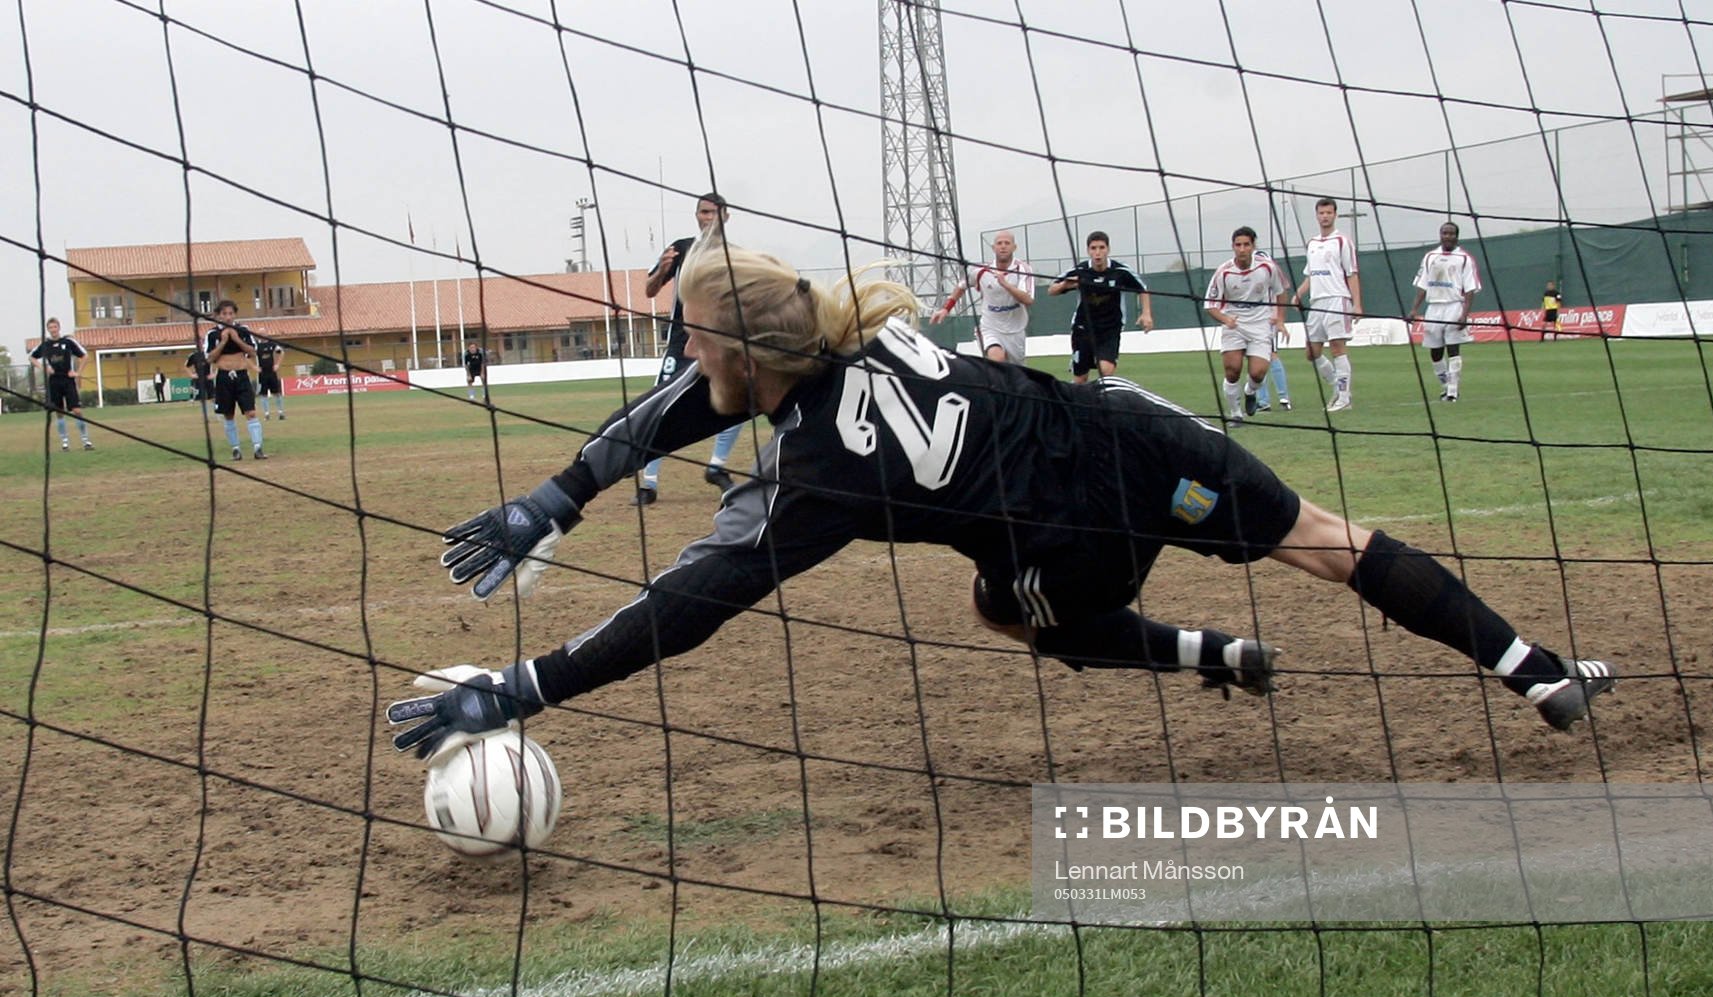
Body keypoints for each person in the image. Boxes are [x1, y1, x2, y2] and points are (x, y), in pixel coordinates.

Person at [386, 233, 1619, 767]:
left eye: (694, 345)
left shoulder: (815, 469)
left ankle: (1199, 650)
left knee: (1020, 616)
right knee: (1326, 543)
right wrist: (560, 491)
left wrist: (525, 686)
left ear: (746, 360)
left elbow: (694, 598)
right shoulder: (843, 329)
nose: (687, 364)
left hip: (1062, 533)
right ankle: (1535, 668)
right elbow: (686, 406)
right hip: (1137, 432)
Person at [633, 192, 737, 506]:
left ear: (726, 216)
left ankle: (717, 467)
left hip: (720, 341)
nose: (708, 218)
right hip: (682, 341)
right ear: (696, 215)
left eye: (714, 212)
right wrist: (663, 270)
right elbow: (650, 290)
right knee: (660, 406)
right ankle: (648, 484)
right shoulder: (682, 248)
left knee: (739, 402)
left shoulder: (735, 257)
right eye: (703, 212)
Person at [1204, 228, 1289, 423]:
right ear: (1233, 247)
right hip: (1234, 323)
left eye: (1246, 245)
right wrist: (1226, 320)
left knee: (1258, 372)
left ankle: (1250, 391)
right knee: (1232, 370)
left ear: (1253, 246)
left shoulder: (1268, 267)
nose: (1242, 249)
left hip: (1260, 323)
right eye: (1238, 245)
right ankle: (1235, 414)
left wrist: (1280, 319)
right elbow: (1210, 304)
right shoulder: (1223, 271)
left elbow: (1281, 291)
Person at [1047, 231, 1152, 383]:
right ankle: (1079, 402)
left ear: (1108, 249)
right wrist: (1066, 284)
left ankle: (1099, 402)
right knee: (1080, 379)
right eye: (1093, 248)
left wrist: (1146, 313)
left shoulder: (1120, 272)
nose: (1098, 253)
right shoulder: (1080, 270)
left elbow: (1143, 289)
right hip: (1083, 329)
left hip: (1110, 328)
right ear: (1088, 251)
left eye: (1101, 248)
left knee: (1106, 370)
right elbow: (1051, 290)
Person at [1291, 197, 1361, 411]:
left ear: (1335, 214)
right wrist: (1298, 294)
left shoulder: (1342, 241)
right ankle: (1337, 388)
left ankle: (1344, 398)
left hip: (1337, 299)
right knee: (1311, 352)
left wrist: (1357, 304)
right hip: (1317, 302)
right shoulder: (1312, 243)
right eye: (1321, 213)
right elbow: (1311, 275)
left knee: (1338, 348)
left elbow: (1352, 274)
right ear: (1317, 215)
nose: (1325, 216)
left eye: (1329, 212)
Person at [929, 230, 1035, 364]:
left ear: (1014, 247)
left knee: (1016, 372)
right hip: (990, 327)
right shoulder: (981, 271)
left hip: (1015, 330)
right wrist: (946, 309)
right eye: (999, 243)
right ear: (993, 247)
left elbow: (1028, 300)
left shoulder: (1023, 269)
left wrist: (1006, 285)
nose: (1003, 246)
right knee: (997, 359)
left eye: (1007, 243)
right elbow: (961, 286)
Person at [1405, 222, 1482, 403]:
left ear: (1457, 236)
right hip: (1434, 308)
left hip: (1454, 306)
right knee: (1435, 353)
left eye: (1451, 233)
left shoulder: (1465, 258)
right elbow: (1422, 285)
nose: (1447, 236)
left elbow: (1470, 289)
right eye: (1444, 233)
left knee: (1453, 350)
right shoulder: (1430, 256)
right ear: (1440, 235)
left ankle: (1453, 392)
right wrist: (1414, 309)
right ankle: (1445, 386)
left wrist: (1465, 314)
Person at [204, 300, 266, 460]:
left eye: (231, 313)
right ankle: (236, 449)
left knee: (251, 412)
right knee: (228, 414)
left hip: (242, 375)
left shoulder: (243, 330)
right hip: (224, 377)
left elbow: (253, 352)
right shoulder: (212, 334)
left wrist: (236, 338)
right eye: (224, 314)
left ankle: (258, 447)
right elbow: (210, 358)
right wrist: (224, 341)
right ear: (218, 315)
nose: (228, 317)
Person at [29, 318, 92, 451]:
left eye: (55, 327)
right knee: (59, 412)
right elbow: (32, 357)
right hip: (54, 382)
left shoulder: (68, 342)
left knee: (77, 411)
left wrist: (77, 373)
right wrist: (43, 368)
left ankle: (86, 441)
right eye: (50, 327)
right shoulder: (45, 345)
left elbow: (85, 356)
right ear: (48, 329)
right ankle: (65, 442)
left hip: (68, 380)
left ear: (59, 327)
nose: (53, 330)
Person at [254, 335, 287, 420]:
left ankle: (281, 413)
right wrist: (254, 367)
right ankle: (266, 414)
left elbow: (281, 352)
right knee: (263, 394)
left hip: (272, 373)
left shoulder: (272, 344)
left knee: (277, 393)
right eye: (260, 334)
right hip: (262, 374)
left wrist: (277, 364)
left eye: (263, 334)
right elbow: (247, 356)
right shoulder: (256, 345)